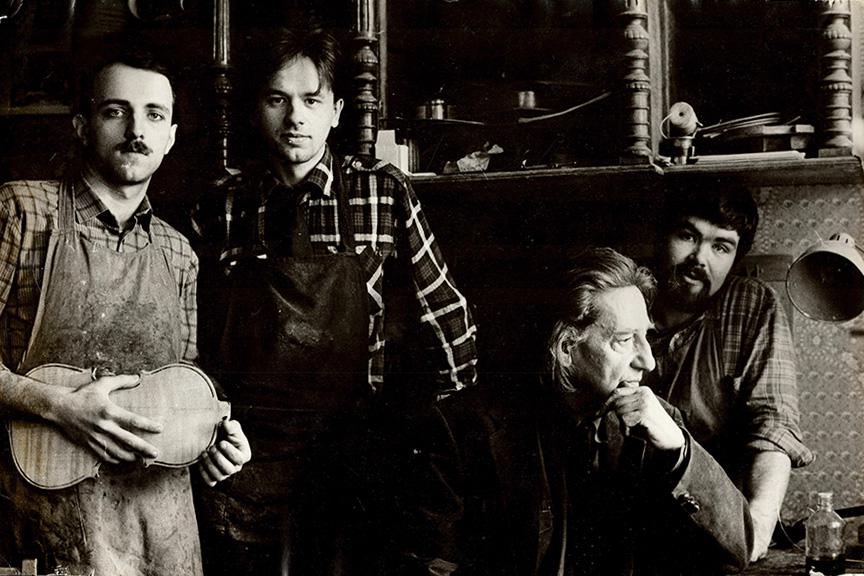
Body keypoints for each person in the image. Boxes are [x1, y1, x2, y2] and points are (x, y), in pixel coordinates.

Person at [191, 28, 478, 575]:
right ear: (256, 109)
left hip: (352, 457)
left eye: (311, 100)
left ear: (337, 111)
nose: (294, 118)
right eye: (277, 100)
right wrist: (207, 431)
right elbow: (192, 337)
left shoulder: (382, 192)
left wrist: (425, 432)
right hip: (247, 458)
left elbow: (448, 319)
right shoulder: (222, 204)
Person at [0, 46, 251, 575]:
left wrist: (212, 438)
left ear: (171, 137)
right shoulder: (22, 211)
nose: (137, 129)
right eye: (116, 111)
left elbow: (181, 386)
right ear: (82, 125)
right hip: (44, 526)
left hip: (158, 533)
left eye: (154, 115)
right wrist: (56, 405)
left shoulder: (178, 253)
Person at [424, 247, 755, 575]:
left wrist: (679, 451)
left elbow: (736, 551)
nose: (648, 361)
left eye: (645, 337)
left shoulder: (658, 424)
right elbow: (434, 567)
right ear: (567, 348)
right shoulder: (461, 427)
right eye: (625, 340)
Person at [645, 181, 813, 562]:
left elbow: (773, 424)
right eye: (688, 236)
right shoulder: (624, 297)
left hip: (713, 528)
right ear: (661, 234)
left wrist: (758, 526)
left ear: (735, 258)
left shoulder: (752, 305)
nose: (699, 258)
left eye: (721, 246)